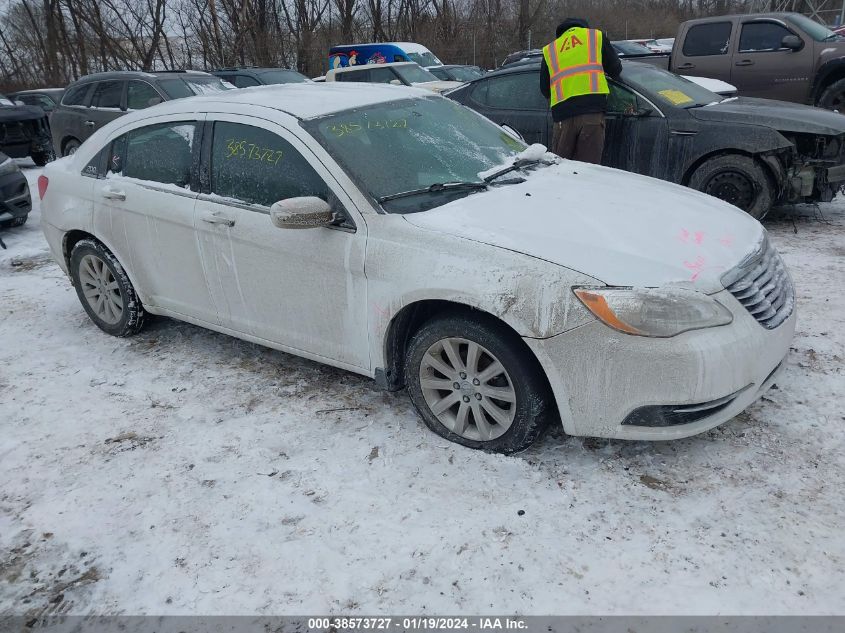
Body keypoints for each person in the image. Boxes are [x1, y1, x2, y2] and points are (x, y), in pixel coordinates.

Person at [540, 18, 622, 164]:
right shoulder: (595, 37)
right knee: (587, 171)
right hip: (592, 114)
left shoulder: (550, 49)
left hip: (563, 117)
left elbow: (545, 90)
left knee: (561, 169)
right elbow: (615, 69)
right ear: (584, 27)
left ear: (560, 33)